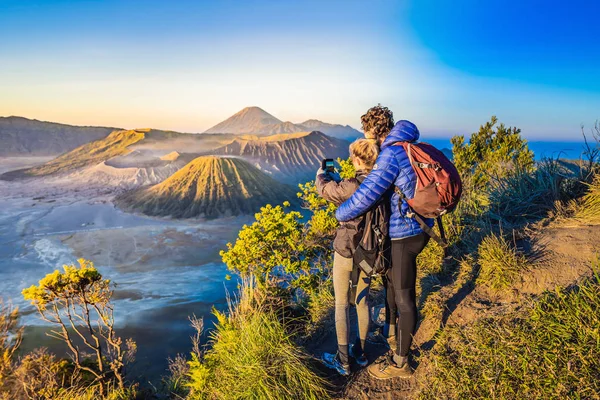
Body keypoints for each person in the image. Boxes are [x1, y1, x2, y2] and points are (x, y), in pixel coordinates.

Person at [335, 105, 433, 379]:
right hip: (421, 226)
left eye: (368, 135)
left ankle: (401, 362)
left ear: (376, 131)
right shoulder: (409, 143)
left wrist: (339, 213)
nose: (368, 141)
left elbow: (366, 196)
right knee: (392, 282)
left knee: (404, 297)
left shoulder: (390, 154)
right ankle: (391, 330)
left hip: (405, 232)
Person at [316, 138, 380, 376]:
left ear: (356, 159)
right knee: (362, 302)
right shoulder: (380, 183)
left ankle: (343, 362)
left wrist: (321, 174)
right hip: (370, 250)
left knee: (342, 303)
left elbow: (325, 190)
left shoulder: (352, 185)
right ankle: (360, 353)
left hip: (345, 249)